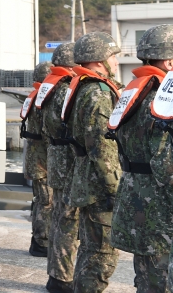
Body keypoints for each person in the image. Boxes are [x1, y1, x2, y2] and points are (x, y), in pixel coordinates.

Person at [109, 25, 173, 293]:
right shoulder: (165, 101)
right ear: (169, 61)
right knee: (161, 282)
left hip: (134, 198)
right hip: (160, 208)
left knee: (146, 278)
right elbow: (166, 165)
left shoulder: (132, 93)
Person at [61, 32, 122, 292]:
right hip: (99, 187)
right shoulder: (97, 94)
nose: (117, 63)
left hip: (87, 180)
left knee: (89, 250)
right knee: (101, 257)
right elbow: (102, 147)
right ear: (99, 61)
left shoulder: (84, 87)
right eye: (113, 57)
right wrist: (115, 188)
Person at [35, 43, 79, 293]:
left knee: (60, 217)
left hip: (55, 157)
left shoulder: (50, 87)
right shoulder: (65, 90)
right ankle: (62, 278)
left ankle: (56, 275)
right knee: (67, 221)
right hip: (67, 161)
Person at [20, 61, 54, 258]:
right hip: (42, 161)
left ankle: (39, 238)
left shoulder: (34, 97)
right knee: (46, 202)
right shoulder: (43, 100)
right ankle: (42, 242)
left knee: (41, 201)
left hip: (36, 159)